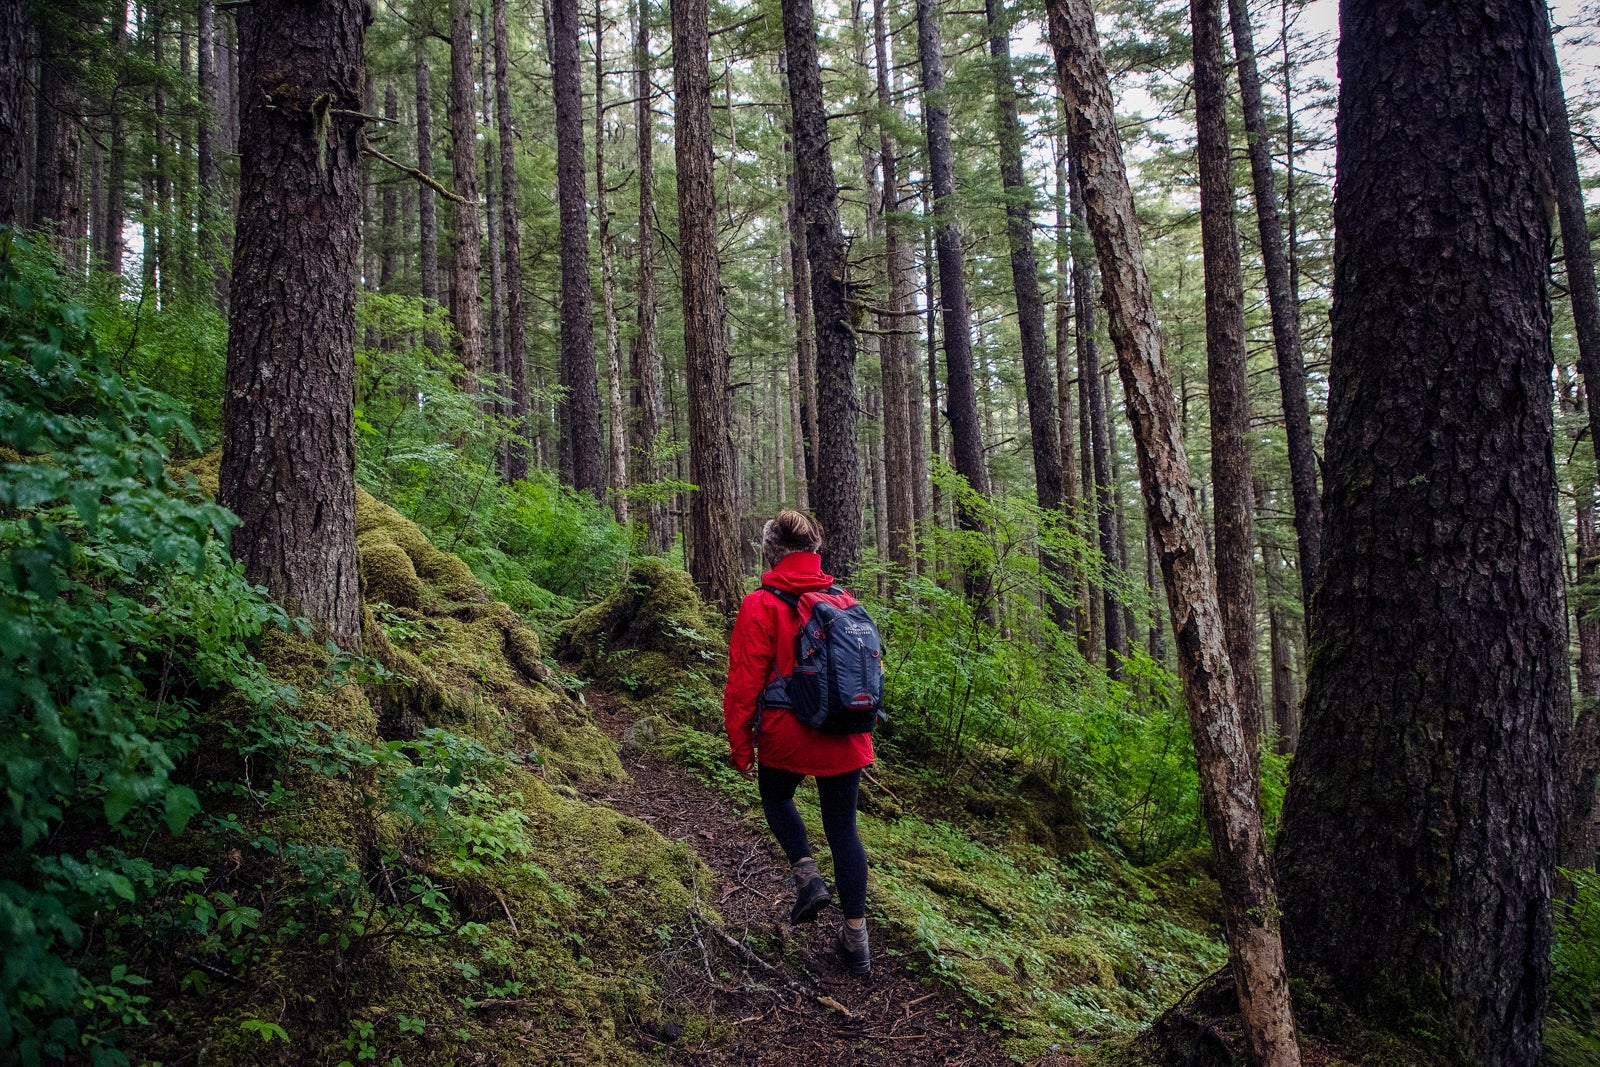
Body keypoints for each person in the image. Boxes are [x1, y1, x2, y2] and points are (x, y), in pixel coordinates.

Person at [723, 510, 875, 975]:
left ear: (772, 551)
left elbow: (743, 683)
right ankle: (856, 939)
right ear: (815, 548)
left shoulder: (760, 604)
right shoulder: (843, 600)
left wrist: (740, 745)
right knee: (843, 829)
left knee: (776, 796)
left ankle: (806, 874)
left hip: (787, 735)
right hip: (844, 734)